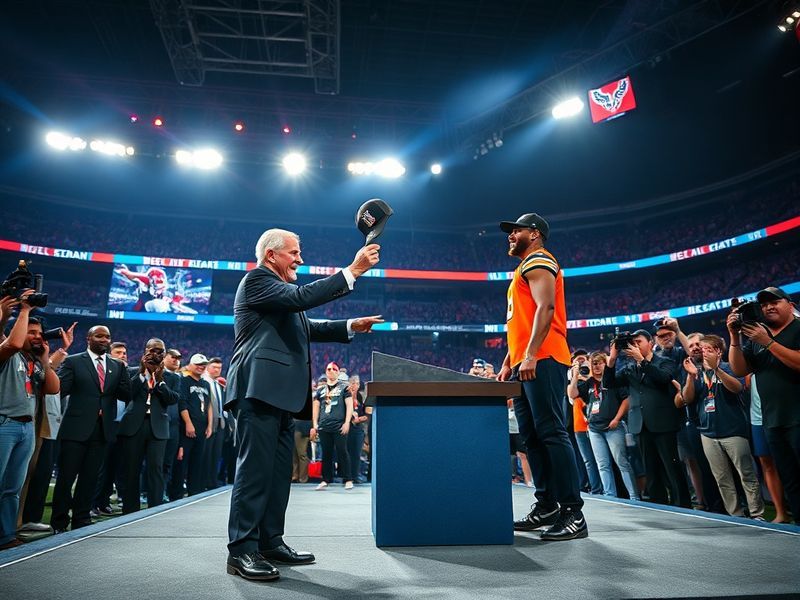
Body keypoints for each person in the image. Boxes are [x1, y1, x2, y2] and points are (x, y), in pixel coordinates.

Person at [224, 228, 382, 581]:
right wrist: (351, 271)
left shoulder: (278, 296)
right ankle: (242, 551)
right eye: (294, 253)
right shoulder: (256, 281)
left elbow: (305, 325)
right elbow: (302, 298)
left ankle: (269, 542)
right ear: (271, 256)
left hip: (280, 397)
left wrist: (349, 325)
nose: (300, 259)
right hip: (258, 391)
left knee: (278, 474)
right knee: (254, 473)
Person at [497, 213, 586, 541]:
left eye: (515, 229)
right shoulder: (522, 268)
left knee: (551, 432)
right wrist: (510, 360)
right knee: (532, 437)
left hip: (545, 358)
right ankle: (547, 505)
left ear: (534, 233)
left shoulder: (538, 259)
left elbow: (546, 309)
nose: (510, 235)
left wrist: (531, 354)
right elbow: (522, 322)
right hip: (526, 361)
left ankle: (573, 511)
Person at [727, 286, 800, 522]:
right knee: (789, 477)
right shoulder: (758, 336)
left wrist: (767, 342)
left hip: (798, 416)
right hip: (772, 420)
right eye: (764, 304)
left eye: (774, 302)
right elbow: (739, 369)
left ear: (790, 305)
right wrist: (735, 338)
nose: (768, 307)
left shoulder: (796, 328)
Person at [51, 326, 130, 533]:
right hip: (75, 429)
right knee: (66, 478)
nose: (104, 339)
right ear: (89, 339)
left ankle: (81, 520)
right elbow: (60, 389)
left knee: (89, 478)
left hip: (102, 431)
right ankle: (59, 522)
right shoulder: (74, 361)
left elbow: (126, 394)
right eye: (99, 336)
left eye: (107, 336)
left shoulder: (117, 366)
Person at [680, 335, 763, 519]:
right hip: (708, 433)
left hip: (733, 431)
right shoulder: (698, 372)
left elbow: (737, 388)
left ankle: (757, 514)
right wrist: (690, 376)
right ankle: (736, 515)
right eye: (702, 349)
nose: (703, 352)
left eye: (708, 349)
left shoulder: (730, 367)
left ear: (718, 351)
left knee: (746, 474)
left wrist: (716, 368)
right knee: (722, 478)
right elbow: (687, 398)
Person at [0, 292, 60, 549]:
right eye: (31, 332)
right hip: (4, 424)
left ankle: (5, 536)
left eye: (39, 333)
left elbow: (53, 388)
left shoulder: (32, 361)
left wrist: (46, 359)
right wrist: (22, 311)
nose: (37, 336)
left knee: (12, 488)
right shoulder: (7, 352)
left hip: (25, 427)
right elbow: (12, 343)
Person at [117, 338, 179, 513]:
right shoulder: (132, 372)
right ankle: (129, 511)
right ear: (145, 351)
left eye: (160, 351)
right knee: (131, 469)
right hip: (133, 426)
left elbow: (173, 399)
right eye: (152, 350)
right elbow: (126, 393)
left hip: (158, 428)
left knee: (155, 470)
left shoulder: (172, 377)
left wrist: (159, 381)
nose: (156, 354)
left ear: (165, 354)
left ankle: (155, 510)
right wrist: (144, 374)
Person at [311, 362, 353, 491]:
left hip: (339, 425)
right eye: (328, 369)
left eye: (334, 369)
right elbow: (316, 408)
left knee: (342, 451)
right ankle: (325, 479)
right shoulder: (320, 390)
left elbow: (349, 405)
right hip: (324, 426)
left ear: (338, 372)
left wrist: (347, 423)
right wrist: (315, 425)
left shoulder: (344, 388)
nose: (330, 371)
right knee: (326, 454)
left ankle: (348, 479)